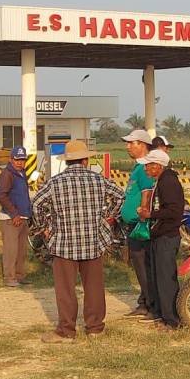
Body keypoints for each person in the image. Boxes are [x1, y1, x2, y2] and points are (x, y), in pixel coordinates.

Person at [32, 140, 124, 342]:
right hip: (93, 241)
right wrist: (108, 218)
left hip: (64, 244)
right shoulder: (99, 180)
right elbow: (120, 197)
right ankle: (95, 328)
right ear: (85, 160)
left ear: (67, 162)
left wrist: (45, 228)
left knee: (66, 289)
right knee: (94, 287)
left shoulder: (54, 182)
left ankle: (67, 331)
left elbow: (37, 203)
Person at [137, 149, 184, 331]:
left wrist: (151, 214)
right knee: (158, 277)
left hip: (167, 236)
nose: (146, 169)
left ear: (158, 166)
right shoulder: (161, 181)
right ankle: (163, 315)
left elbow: (173, 211)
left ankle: (172, 320)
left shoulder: (169, 182)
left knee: (166, 279)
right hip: (159, 235)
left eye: (148, 165)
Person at [120, 129, 156, 320]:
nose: (127, 146)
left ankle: (151, 305)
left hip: (140, 226)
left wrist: (142, 215)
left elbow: (147, 193)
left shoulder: (145, 168)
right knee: (139, 266)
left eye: (131, 143)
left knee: (144, 267)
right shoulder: (138, 167)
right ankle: (144, 302)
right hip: (133, 225)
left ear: (142, 145)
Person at [0, 145, 32, 287]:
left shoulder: (22, 173)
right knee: (11, 250)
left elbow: (24, 196)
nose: (20, 162)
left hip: (23, 217)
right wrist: (14, 214)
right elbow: (2, 196)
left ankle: (19, 276)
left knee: (21, 251)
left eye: (22, 160)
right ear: (11, 160)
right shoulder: (7, 174)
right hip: (10, 219)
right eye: (17, 160)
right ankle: (9, 278)